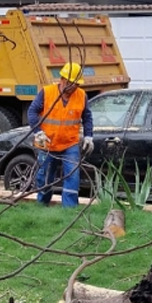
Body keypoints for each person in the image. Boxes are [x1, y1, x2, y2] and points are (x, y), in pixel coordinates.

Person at [27, 62, 94, 208]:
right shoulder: (47, 92)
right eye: (71, 83)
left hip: (70, 144)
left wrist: (89, 136)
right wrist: (38, 132)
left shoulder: (81, 96)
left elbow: (87, 117)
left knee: (72, 177)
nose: (73, 87)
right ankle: (41, 206)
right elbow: (32, 112)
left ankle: (69, 212)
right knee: (44, 178)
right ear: (62, 79)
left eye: (76, 84)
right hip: (47, 143)